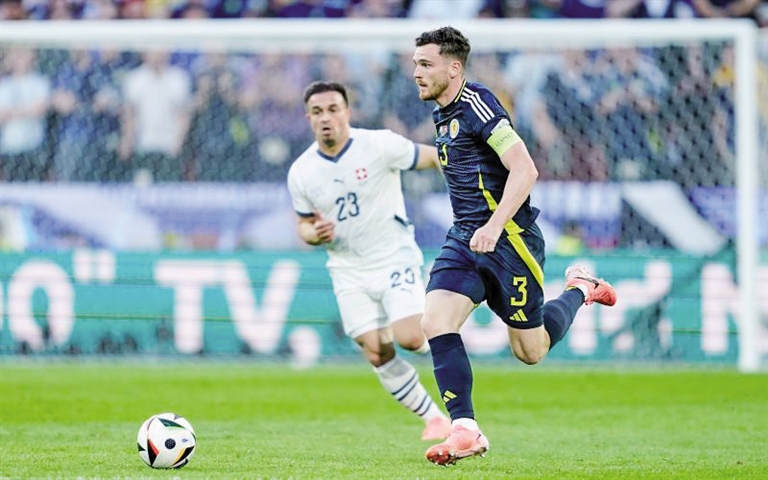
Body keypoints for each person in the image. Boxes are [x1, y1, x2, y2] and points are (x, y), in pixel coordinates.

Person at [411, 26, 618, 466]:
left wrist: (494, 224)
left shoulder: (479, 105)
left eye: (426, 64)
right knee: (436, 321)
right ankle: (465, 429)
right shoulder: (442, 114)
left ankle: (580, 287)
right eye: (415, 64)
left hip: (510, 241)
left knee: (531, 350)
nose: (417, 72)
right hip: (465, 238)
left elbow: (525, 169)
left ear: (454, 68)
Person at [286, 81, 451, 441]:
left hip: (393, 256)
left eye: (333, 109)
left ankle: (446, 333)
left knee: (411, 338)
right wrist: (315, 233)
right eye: (317, 112)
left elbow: (432, 157)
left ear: (347, 112)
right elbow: (303, 225)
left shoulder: (379, 144)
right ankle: (434, 419)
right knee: (376, 351)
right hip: (347, 269)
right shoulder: (301, 172)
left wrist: (463, 176)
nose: (326, 118)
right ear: (308, 118)